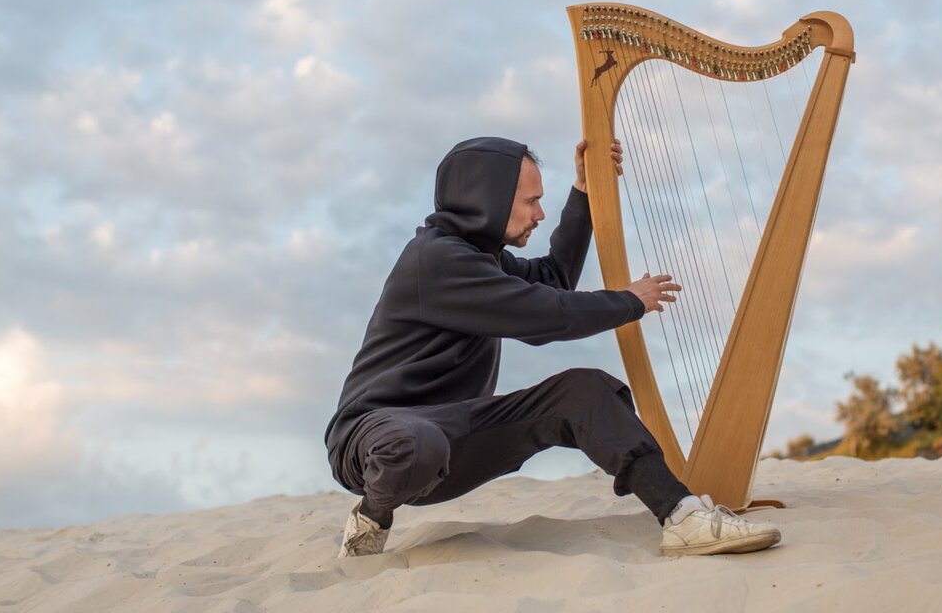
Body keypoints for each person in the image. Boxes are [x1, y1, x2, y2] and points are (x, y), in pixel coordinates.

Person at [325, 136, 780, 558]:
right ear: (486, 199)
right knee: (414, 442)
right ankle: (371, 517)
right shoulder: (436, 262)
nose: (539, 215)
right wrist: (628, 302)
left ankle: (681, 514)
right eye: (531, 202)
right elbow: (545, 315)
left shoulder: (484, 259)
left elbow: (553, 279)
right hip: (374, 443)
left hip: (456, 435)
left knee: (584, 391)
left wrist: (582, 190)